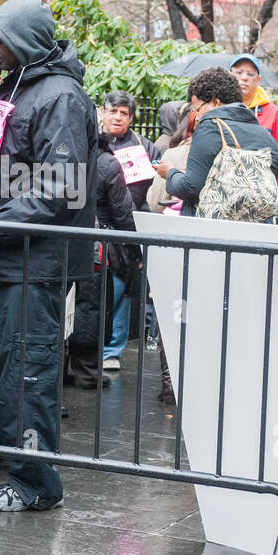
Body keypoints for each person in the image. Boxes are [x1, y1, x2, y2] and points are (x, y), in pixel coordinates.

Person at [0, 0, 98, 512]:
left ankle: (36, 482)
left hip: (34, 262)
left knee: (27, 374)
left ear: (25, 42)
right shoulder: (19, 88)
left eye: (1, 40)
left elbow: (60, 185)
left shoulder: (59, 96)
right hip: (2, 254)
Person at [64, 132, 137, 393]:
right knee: (90, 308)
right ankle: (88, 373)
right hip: (95, 247)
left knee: (59, 307)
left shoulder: (59, 154)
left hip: (57, 243)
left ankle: (59, 372)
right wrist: (135, 248)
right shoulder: (106, 163)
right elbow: (124, 213)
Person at [155, 67, 278, 216]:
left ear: (216, 103)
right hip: (255, 227)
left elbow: (191, 188)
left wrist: (170, 173)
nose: (196, 117)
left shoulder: (210, 127)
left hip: (212, 228)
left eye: (198, 109)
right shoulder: (265, 135)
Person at [98, 91, 157, 369]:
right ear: (102, 112)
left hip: (127, 226)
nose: (118, 117)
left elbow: (155, 188)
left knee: (121, 290)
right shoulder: (91, 140)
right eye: (113, 111)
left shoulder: (145, 146)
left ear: (131, 117)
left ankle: (112, 351)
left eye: (124, 113)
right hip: (95, 225)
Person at [230, 53, 278, 219]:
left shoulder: (275, 114)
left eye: (250, 74)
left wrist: (277, 197)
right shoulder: (218, 108)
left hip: (263, 205)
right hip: (224, 199)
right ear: (230, 74)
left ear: (258, 80)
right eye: (239, 72)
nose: (244, 78)